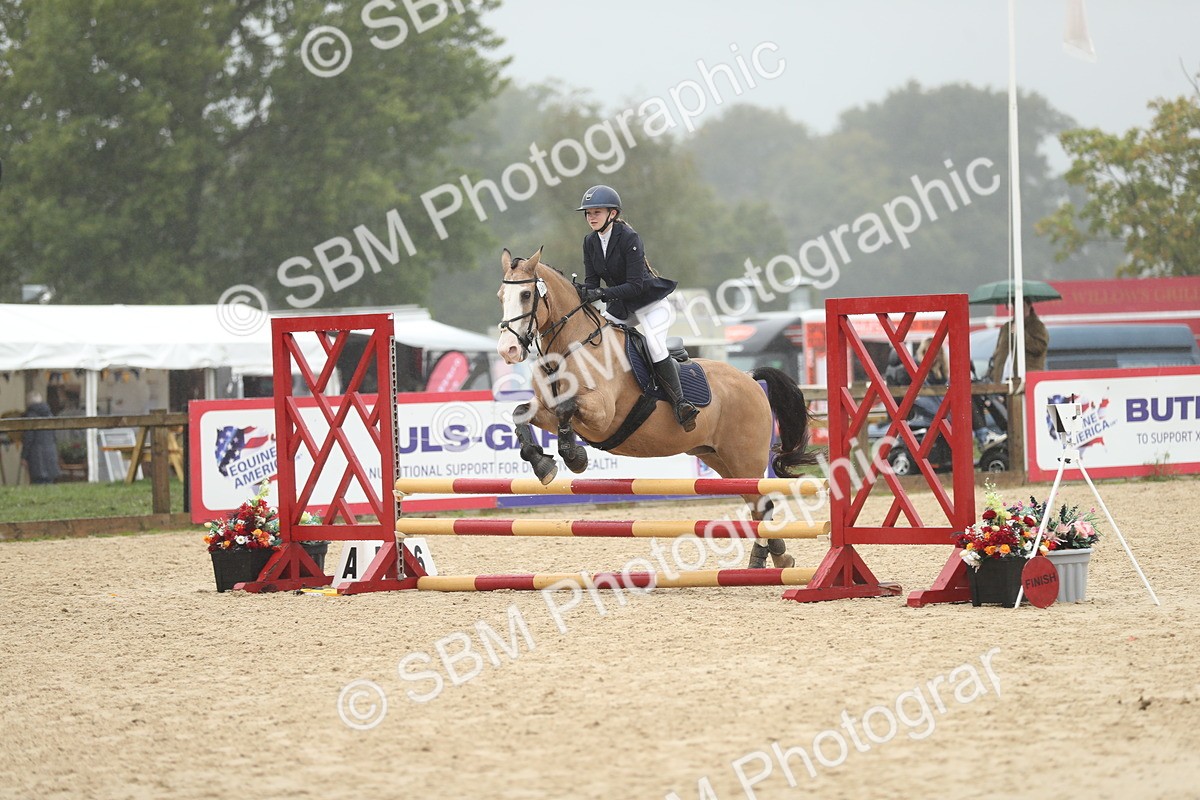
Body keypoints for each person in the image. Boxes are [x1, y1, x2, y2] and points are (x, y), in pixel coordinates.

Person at [576, 185, 698, 431]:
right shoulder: (590, 242)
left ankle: (680, 403)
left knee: (653, 344)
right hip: (623, 308)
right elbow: (591, 282)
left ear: (612, 214)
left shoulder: (629, 238)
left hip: (651, 304)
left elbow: (634, 286)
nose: (591, 217)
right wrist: (581, 293)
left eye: (597, 212)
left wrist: (601, 293)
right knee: (596, 339)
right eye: (588, 213)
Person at [988, 298, 1049, 384]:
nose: (1019, 309)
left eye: (1022, 306)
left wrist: (1021, 334)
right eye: (1015, 306)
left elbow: (1038, 348)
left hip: (1025, 379)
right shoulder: (1007, 327)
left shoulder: (1037, 326)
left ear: (1029, 306)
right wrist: (993, 372)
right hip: (1001, 379)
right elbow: (998, 350)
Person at [20, 391, 60, 485]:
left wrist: (24, 456)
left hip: (37, 454)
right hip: (51, 451)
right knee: (49, 483)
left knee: (38, 483)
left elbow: (28, 439)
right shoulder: (50, 415)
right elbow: (54, 436)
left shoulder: (30, 416)